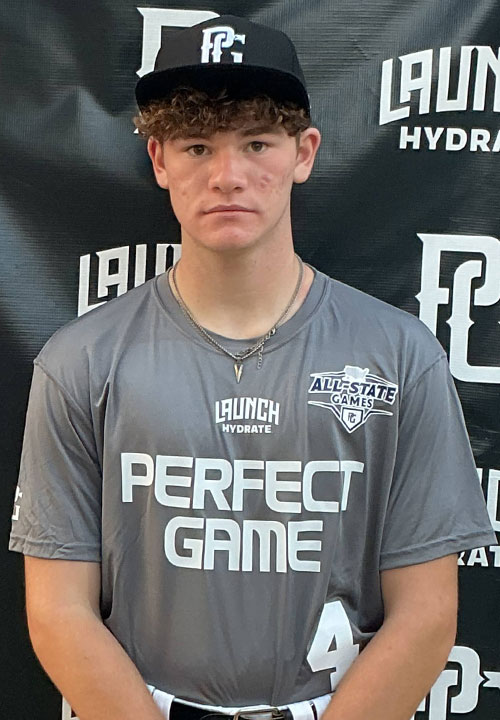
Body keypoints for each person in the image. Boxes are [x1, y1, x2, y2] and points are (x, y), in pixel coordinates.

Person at [9, 14, 495, 720]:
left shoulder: (400, 356)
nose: (228, 176)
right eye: (197, 146)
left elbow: (426, 614)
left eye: (258, 143)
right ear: (159, 161)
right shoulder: (80, 361)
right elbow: (59, 611)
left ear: (304, 152)